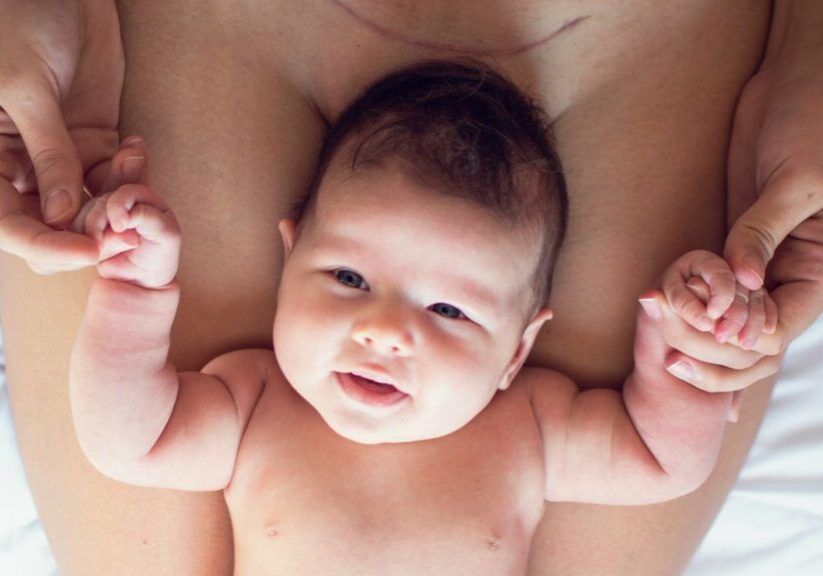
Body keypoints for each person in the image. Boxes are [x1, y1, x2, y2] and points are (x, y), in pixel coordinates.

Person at [0, 1, 821, 574]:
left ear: (518, 350)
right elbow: (127, 439)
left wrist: (675, 343)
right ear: (286, 259)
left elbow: (654, 459)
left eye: (451, 311)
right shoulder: (256, 408)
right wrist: (137, 299)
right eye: (347, 277)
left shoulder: (528, 432)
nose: (386, 330)